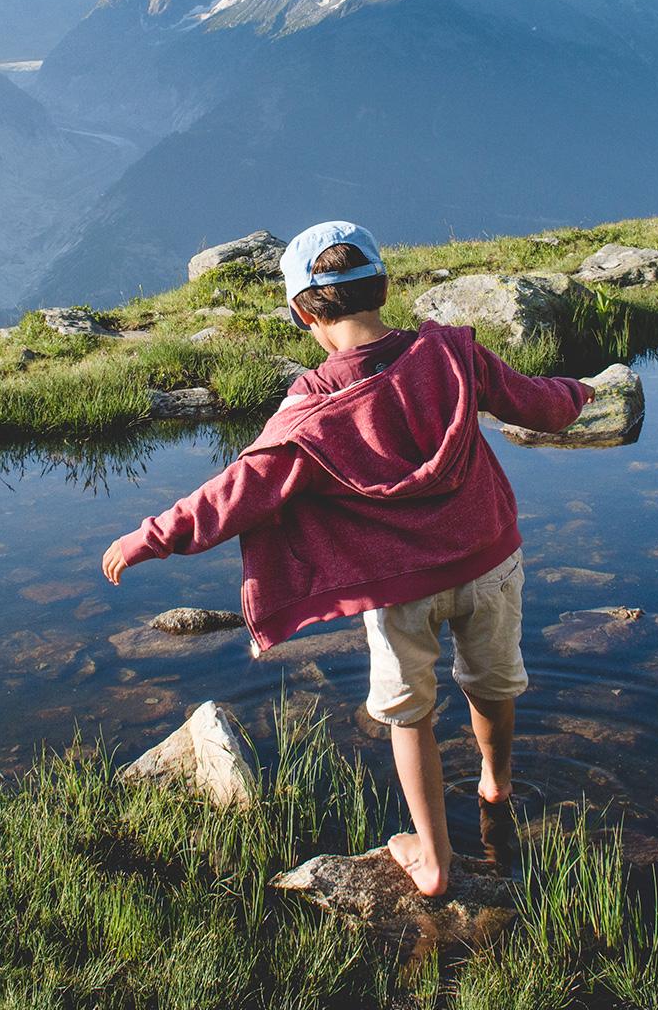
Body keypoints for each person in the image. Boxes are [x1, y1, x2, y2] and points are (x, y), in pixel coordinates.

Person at [101, 221, 592, 896]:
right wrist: (584, 392)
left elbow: (238, 492)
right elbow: (537, 404)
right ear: (383, 289)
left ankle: (434, 860)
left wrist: (151, 536)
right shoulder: (452, 352)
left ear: (306, 313)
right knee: (493, 680)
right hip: (489, 557)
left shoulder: (310, 407)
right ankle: (496, 782)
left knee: (407, 711)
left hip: (400, 589)